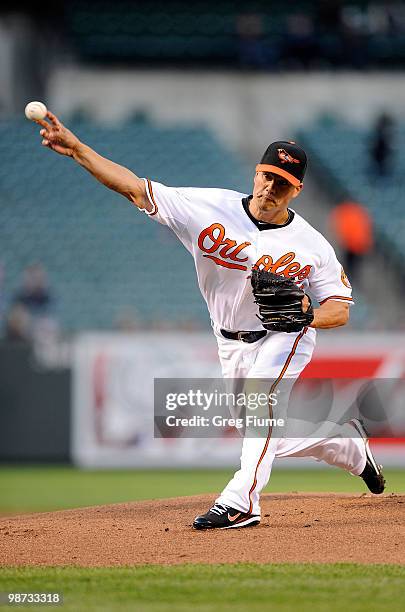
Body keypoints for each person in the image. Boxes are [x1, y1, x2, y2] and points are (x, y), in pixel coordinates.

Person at [34, 111, 385, 530]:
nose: (272, 187)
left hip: (285, 334)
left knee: (260, 403)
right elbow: (131, 187)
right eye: (268, 176)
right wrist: (77, 150)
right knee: (260, 430)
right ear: (256, 174)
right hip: (229, 340)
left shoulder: (312, 245)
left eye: (284, 183)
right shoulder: (206, 206)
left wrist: (307, 314)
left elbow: (339, 309)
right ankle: (344, 445)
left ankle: (241, 501)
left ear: (297, 190)